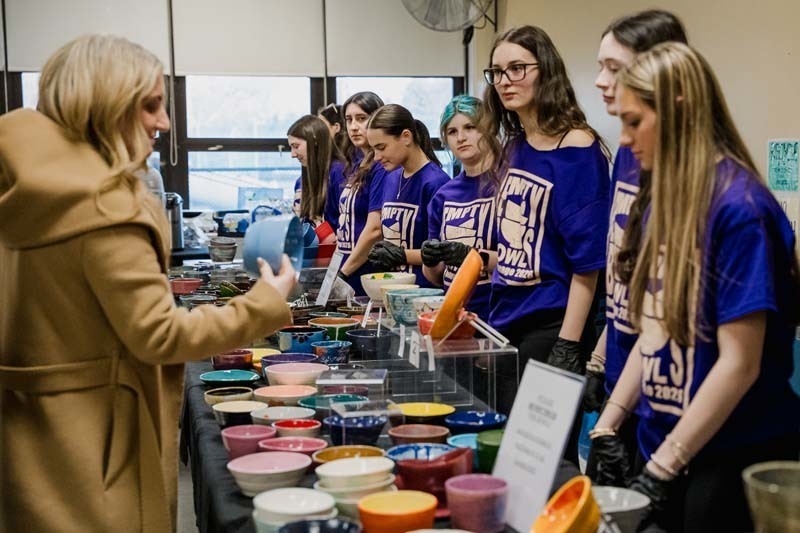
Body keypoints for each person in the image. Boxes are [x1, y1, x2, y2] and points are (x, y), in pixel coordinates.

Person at [0, 34, 296, 532]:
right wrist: (262, 303)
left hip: (34, 430)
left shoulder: (26, 188)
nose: (163, 122)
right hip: (100, 441)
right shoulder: (102, 207)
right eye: (152, 105)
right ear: (107, 102)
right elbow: (159, 336)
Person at [592, 42, 800, 532]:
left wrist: (663, 468)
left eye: (635, 121)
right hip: (665, 442)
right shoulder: (670, 196)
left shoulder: (739, 207)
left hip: (727, 453)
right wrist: (609, 422)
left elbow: (739, 363)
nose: (623, 139)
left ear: (679, 110)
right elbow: (657, 325)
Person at [482, 25, 610, 415]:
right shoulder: (514, 147)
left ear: (546, 70)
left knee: (544, 457)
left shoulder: (577, 148)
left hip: (552, 324)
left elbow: (587, 265)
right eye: (498, 72)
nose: (505, 81)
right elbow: (520, 249)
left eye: (517, 68)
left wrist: (569, 346)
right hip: (505, 319)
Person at [584, 10, 689, 485]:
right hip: (626, 376)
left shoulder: (715, 192)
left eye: (614, 67)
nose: (601, 81)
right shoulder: (631, 149)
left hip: (676, 408)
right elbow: (630, 281)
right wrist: (600, 360)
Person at [421, 94, 502, 321]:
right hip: (455, 317)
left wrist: (474, 257)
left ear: (489, 129)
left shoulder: (507, 185)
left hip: (496, 314)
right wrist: (430, 259)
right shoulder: (444, 195)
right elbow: (436, 276)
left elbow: (521, 262)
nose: (461, 138)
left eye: (470, 127)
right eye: (452, 131)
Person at [365, 104, 450, 287]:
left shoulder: (436, 183)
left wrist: (401, 254)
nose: (376, 157)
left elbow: (442, 253)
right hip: (392, 289)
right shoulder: (390, 177)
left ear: (406, 137)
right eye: (373, 149)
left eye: (381, 147)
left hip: (423, 292)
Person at [334, 92, 389, 296]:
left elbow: (375, 230)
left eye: (361, 118)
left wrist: (343, 273)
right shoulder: (356, 165)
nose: (353, 126)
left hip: (364, 272)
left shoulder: (382, 166)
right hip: (346, 265)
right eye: (349, 120)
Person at [287, 114, 344, 243]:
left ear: (315, 142)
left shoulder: (339, 173)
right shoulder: (301, 182)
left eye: (296, 146)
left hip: (337, 254)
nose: (292, 154)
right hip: (310, 255)